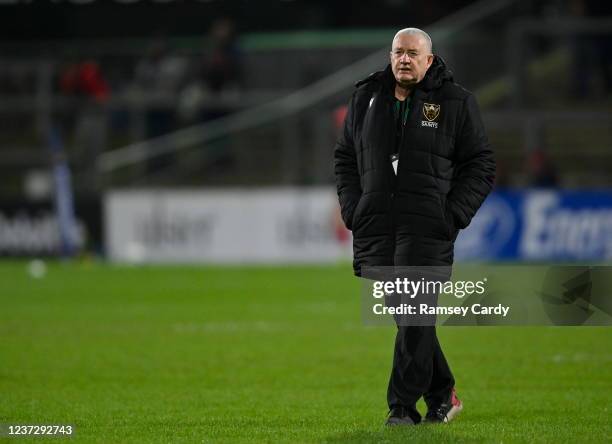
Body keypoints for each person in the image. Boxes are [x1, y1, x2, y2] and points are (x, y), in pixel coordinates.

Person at [333, 28, 495, 426]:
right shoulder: (366, 98)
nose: (404, 59)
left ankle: (401, 408)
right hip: (378, 229)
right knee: (411, 321)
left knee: (415, 317)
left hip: (427, 229)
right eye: (398, 52)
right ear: (390, 56)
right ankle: (443, 394)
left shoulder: (455, 102)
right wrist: (354, 208)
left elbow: (481, 164)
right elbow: (345, 158)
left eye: (412, 53)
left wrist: (452, 214)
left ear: (429, 60)